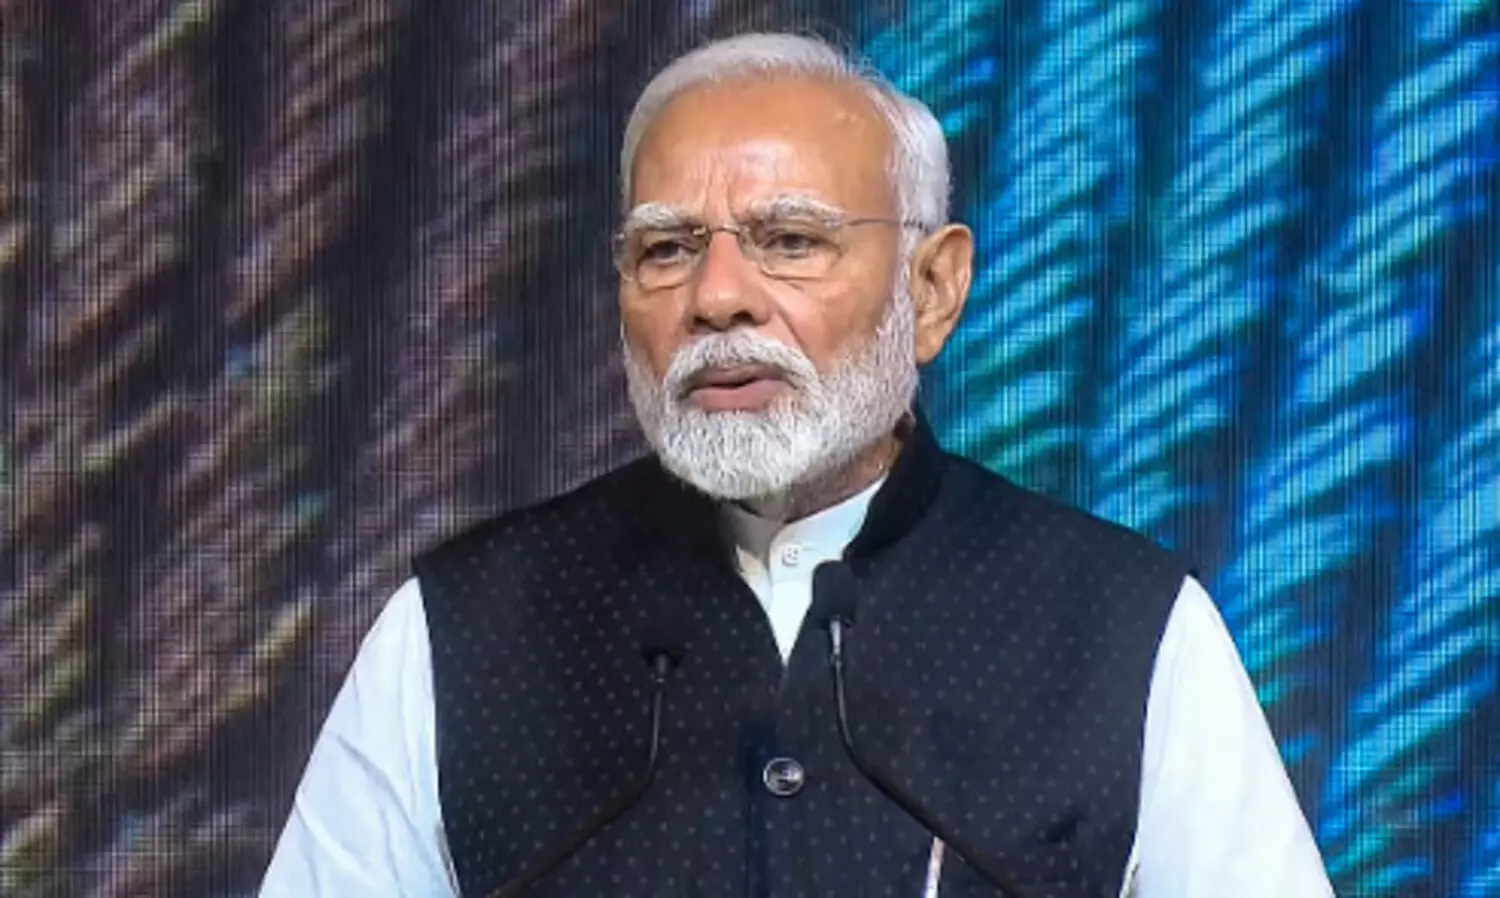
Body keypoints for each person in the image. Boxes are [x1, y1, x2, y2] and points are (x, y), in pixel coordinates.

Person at [258, 31, 1335, 898]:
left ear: (933, 288)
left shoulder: (1123, 624)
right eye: (668, 248)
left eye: (790, 240)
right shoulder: (460, 630)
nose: (718, 298)